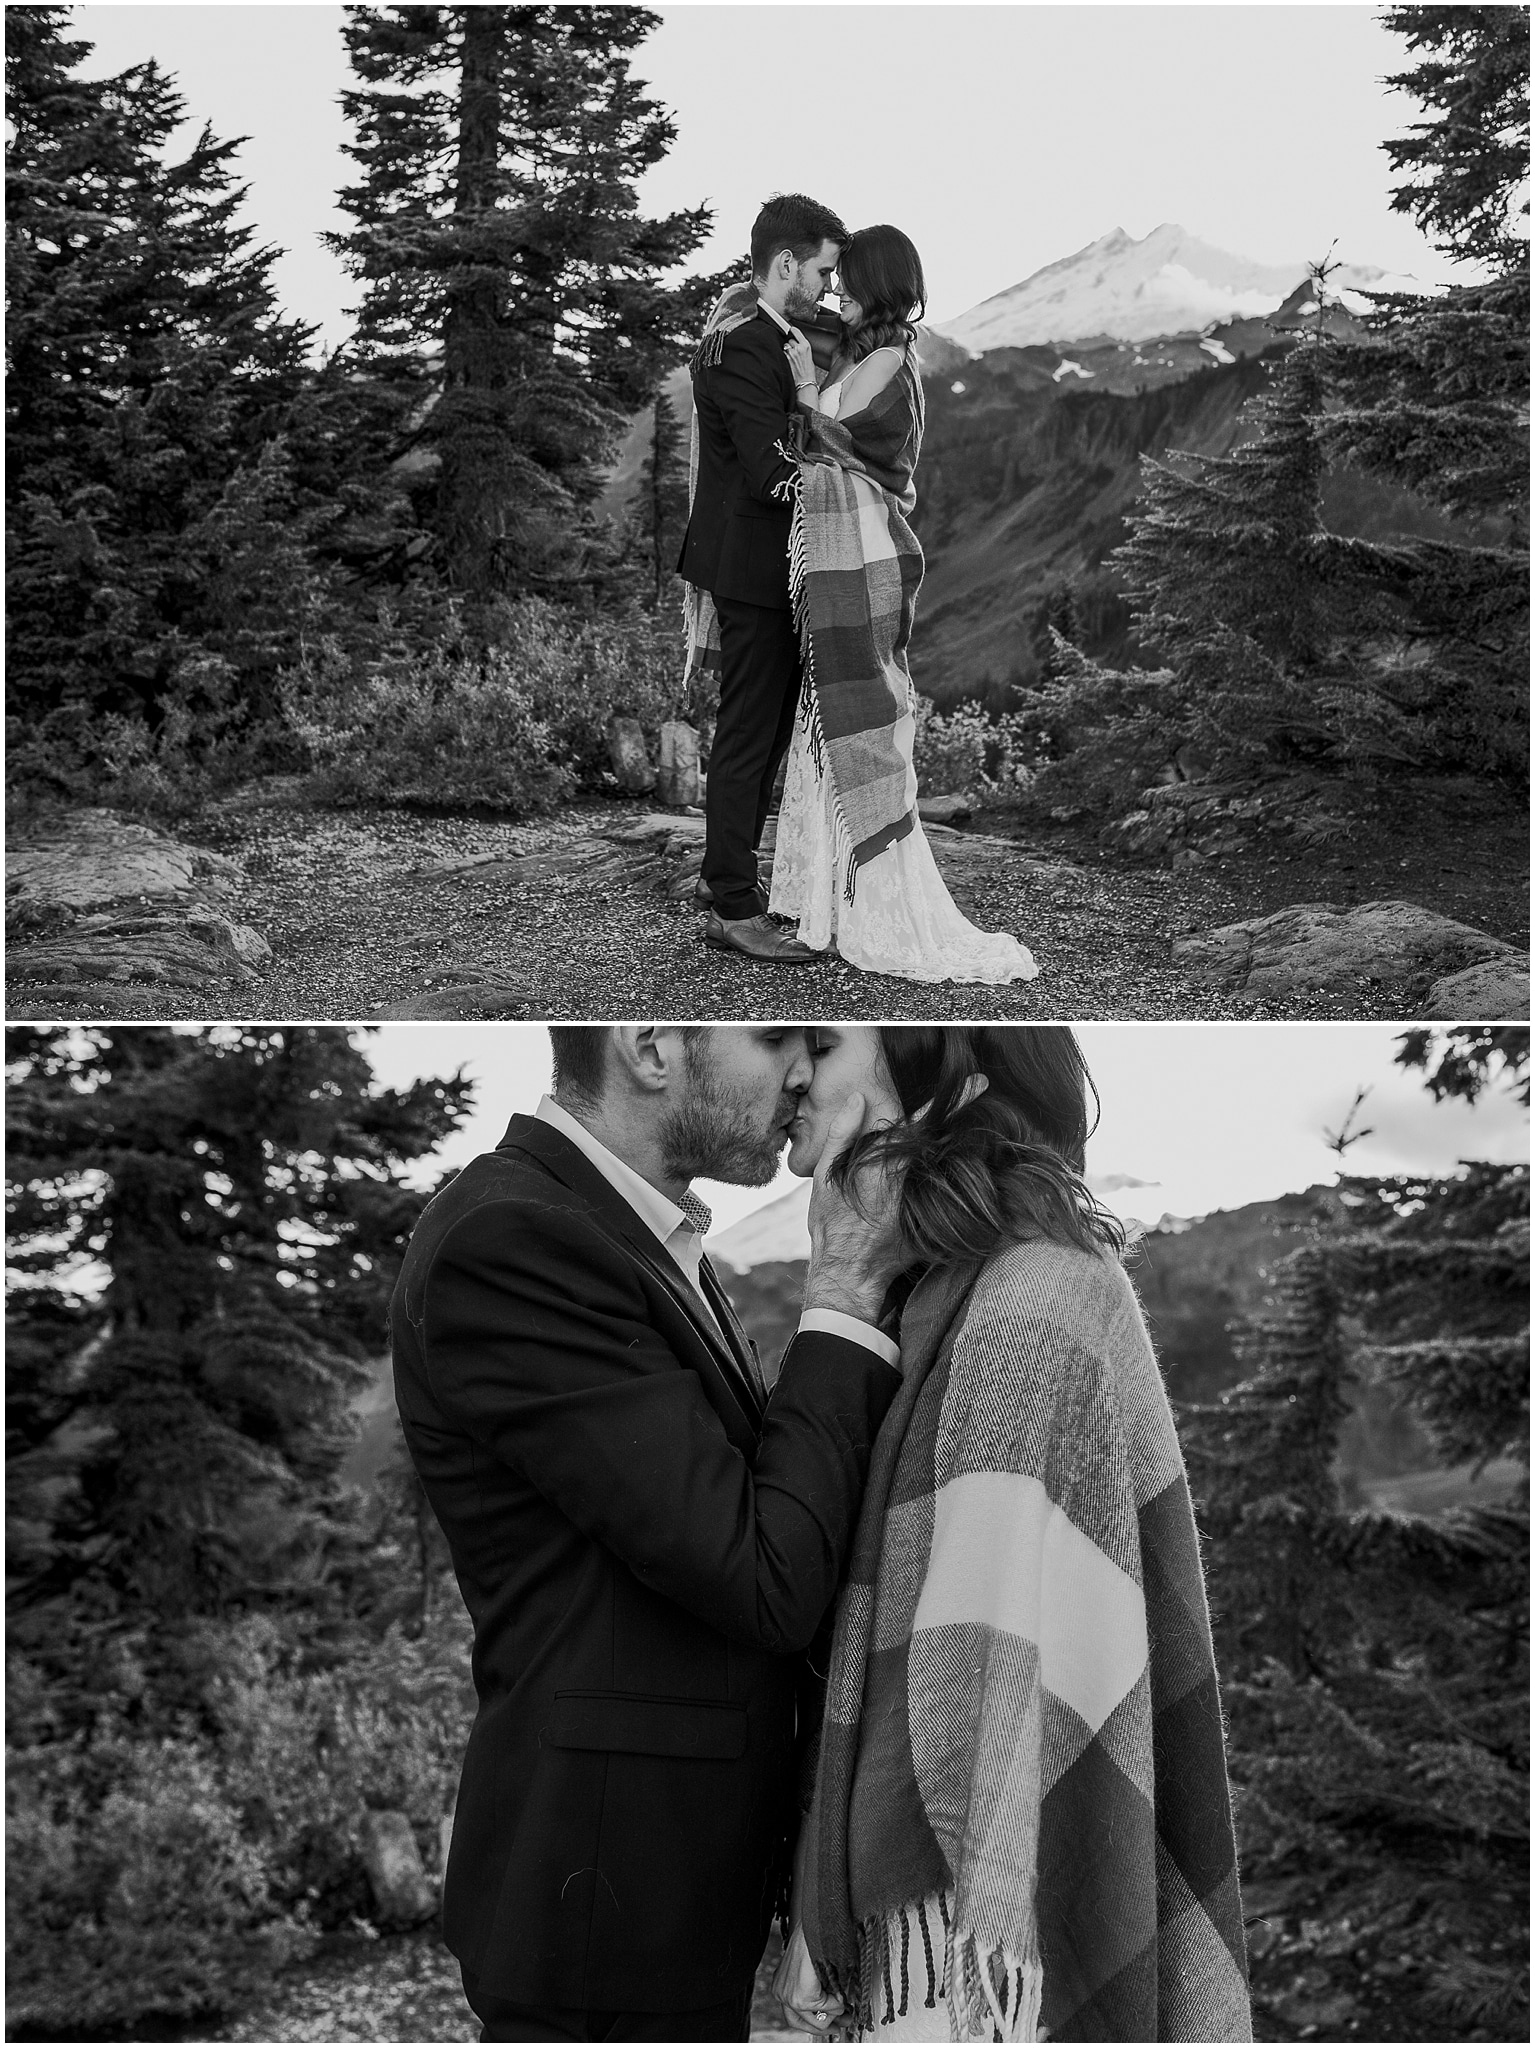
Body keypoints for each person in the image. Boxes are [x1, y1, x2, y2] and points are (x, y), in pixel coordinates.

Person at [390, 1025, 910, 2041]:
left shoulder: (646, 1238)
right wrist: (842, 1290)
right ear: (649, 1045)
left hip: (661, 1895)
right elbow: (762, 1572)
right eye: (774, 1040)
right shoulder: (512, 1240)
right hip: (601, 1914)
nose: (803, 1070)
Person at [772, 1026, 1251, 2042]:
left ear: (947, 1077)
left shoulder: (1034, 1296)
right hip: (915, 1924)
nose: (796, 1071)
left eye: (819, 1043)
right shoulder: (911, 1297)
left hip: (979, 1936)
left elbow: (1002, 1671)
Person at [770, 233, 1037, 984]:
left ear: (876, 283)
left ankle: (867, 904)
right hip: (842, 549)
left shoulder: (886, 362)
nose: (837, 292)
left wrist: (798, 382)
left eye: (846, 280)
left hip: (861, 554)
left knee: (857, 711)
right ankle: (829, 897)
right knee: (833, 711)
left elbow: (828, 443)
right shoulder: (863, 356)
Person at [676, 194, 848, 964]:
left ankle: (732, 882)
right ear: (786, 264)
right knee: (749, 734)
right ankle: (734, 905)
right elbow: (765, 470)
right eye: (822, 270)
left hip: (761, 562)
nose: (828, 287)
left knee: (765, 730)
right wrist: (851, 496)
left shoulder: (770, 338)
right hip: (751, 566)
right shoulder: (747, 344)